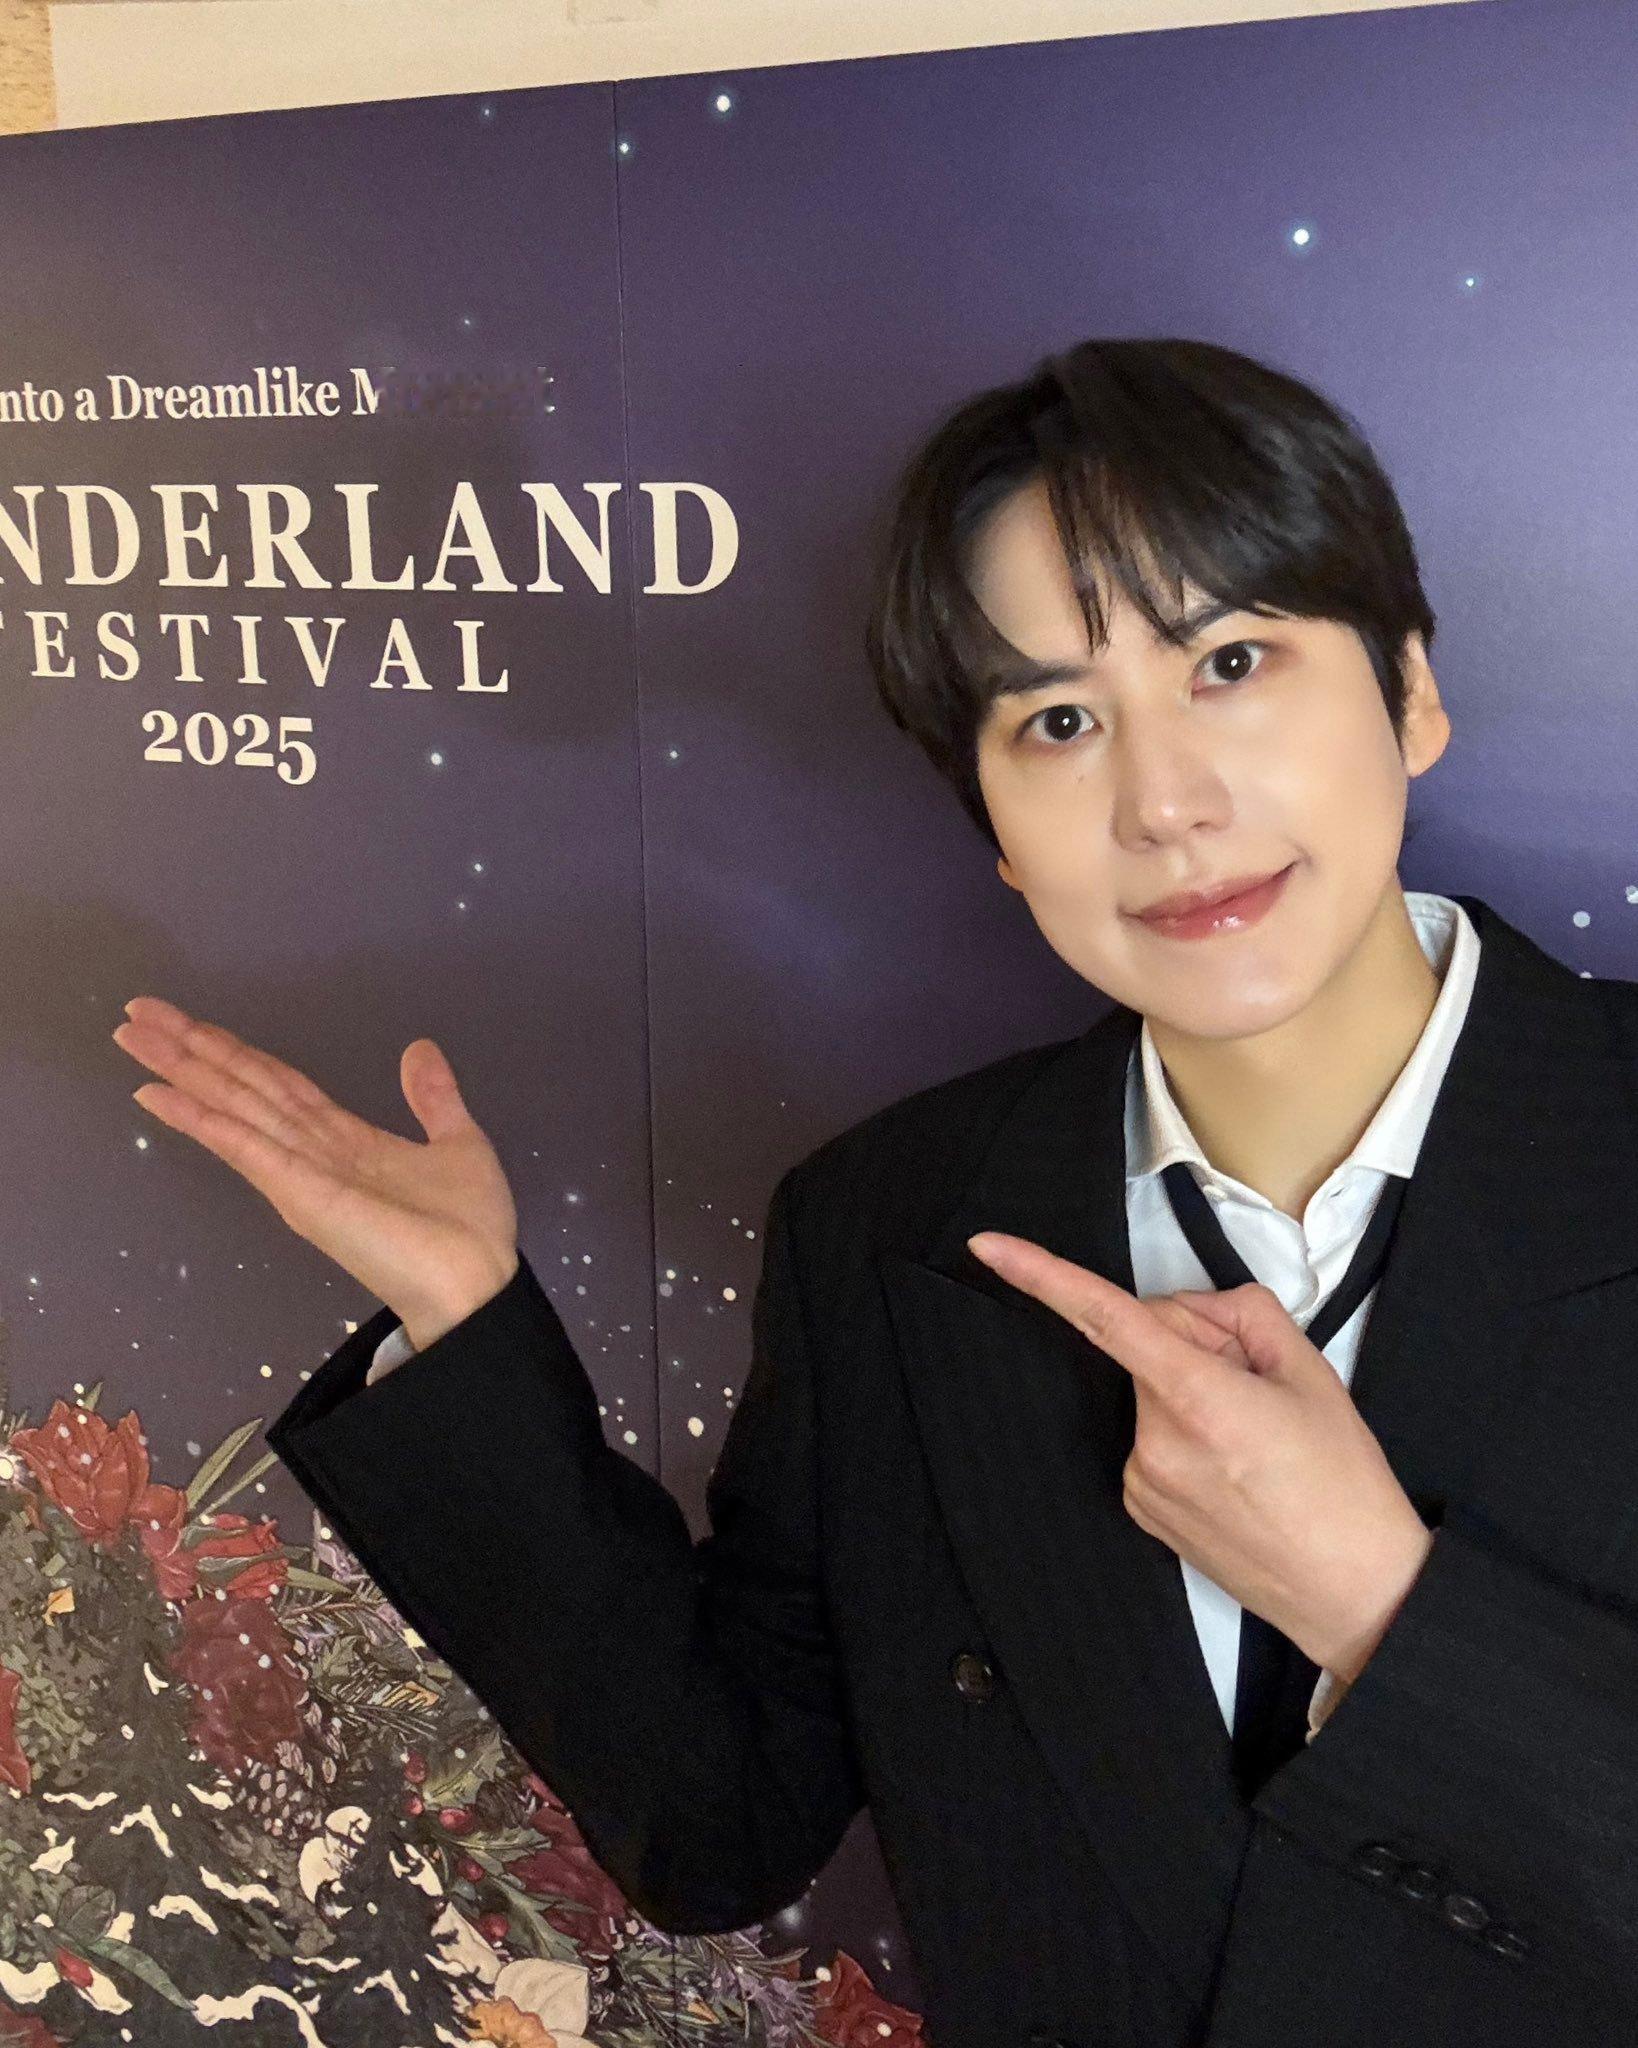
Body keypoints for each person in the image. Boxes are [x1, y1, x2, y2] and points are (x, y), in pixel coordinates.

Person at [110, 338, 1638, 2047]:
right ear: (993, 827)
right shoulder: (891, 1220)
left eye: (1229, 661)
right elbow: (717, 1820)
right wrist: (463, 1326)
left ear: (1408, 690)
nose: (1164, 804)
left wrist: (1377, 1611)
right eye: (1058, 721)